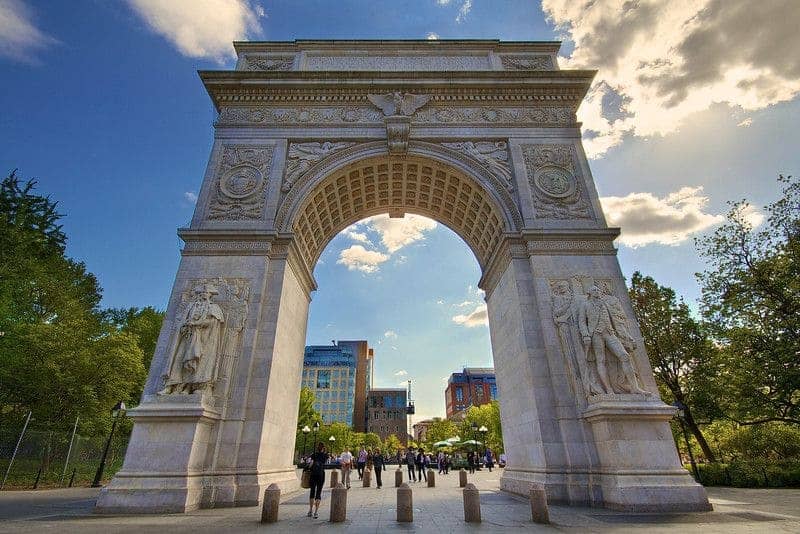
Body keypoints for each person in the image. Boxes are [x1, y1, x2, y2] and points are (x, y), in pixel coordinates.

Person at [307, 443, 327, 519]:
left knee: (312, 491)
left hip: (313, 474)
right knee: (319, 492)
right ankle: (316, 512)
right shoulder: (325, 455)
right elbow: (324, 462)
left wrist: (308, 468)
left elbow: (311, 464)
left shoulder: (314, 454)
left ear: (317, 448)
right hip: (321, 474)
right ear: (323, 448)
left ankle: (310, 510)